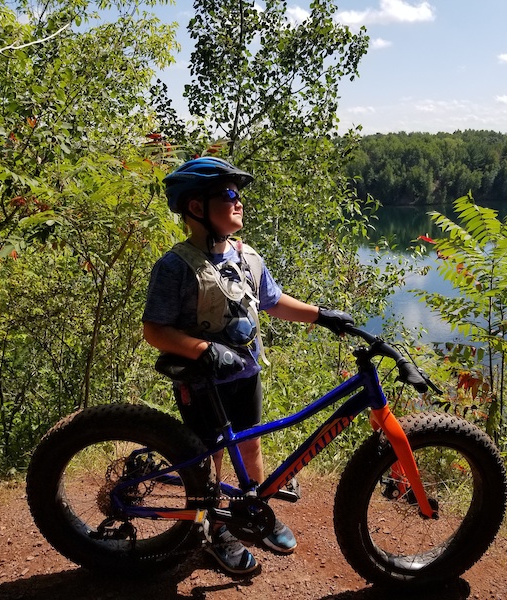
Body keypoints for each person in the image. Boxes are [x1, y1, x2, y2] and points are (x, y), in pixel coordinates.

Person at [141, 156, 354, 576]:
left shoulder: (246, 256)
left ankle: (254, 510)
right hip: (204, 382)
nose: (239, 202)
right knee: (210, 459)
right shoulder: (175, 267)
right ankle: (214, 532)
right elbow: (155, 330)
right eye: (228, 194)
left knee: (250, 444)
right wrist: (204, 349)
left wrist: (323, 315)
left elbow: (273, 302)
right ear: (197, 208)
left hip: (245, 375)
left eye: (239, 194)